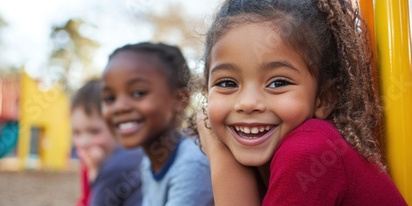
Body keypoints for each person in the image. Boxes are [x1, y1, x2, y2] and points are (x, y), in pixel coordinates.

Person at [197, 0, 407, 205]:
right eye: (226, 83)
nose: (248, 103)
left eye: (278, 83)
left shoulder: (309, 151)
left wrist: (220, 157)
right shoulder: (267, 161)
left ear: (324, 98)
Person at [101, 42, 214, 206]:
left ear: (179, 99)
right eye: (110, 98)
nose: (119, 107)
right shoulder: (149, 162)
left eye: (138, 93)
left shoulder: (191, 164)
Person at [71, 79, 143, 206]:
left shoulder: (121, 164)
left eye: (94, 131)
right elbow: (85, 199)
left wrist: (95, 174)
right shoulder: (90, 161)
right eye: (76, 132)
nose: (83, 142)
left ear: (118, 126)